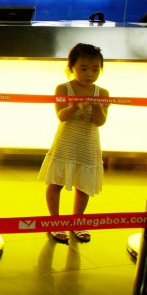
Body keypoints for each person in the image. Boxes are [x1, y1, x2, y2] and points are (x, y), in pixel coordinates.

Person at [39, 43, 109, 244]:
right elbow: (61, 116)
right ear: (72, 67)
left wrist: (96, 107)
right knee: (56, 182)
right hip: (66, 142)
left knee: (84, 185)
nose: (90, 74)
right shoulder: (63, 88)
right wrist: (75, 106)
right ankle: (54, 222)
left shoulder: (102, 92)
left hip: (89, 144)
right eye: (84, 68)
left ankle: (78, 222)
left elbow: (100, 122)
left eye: (95, 69)